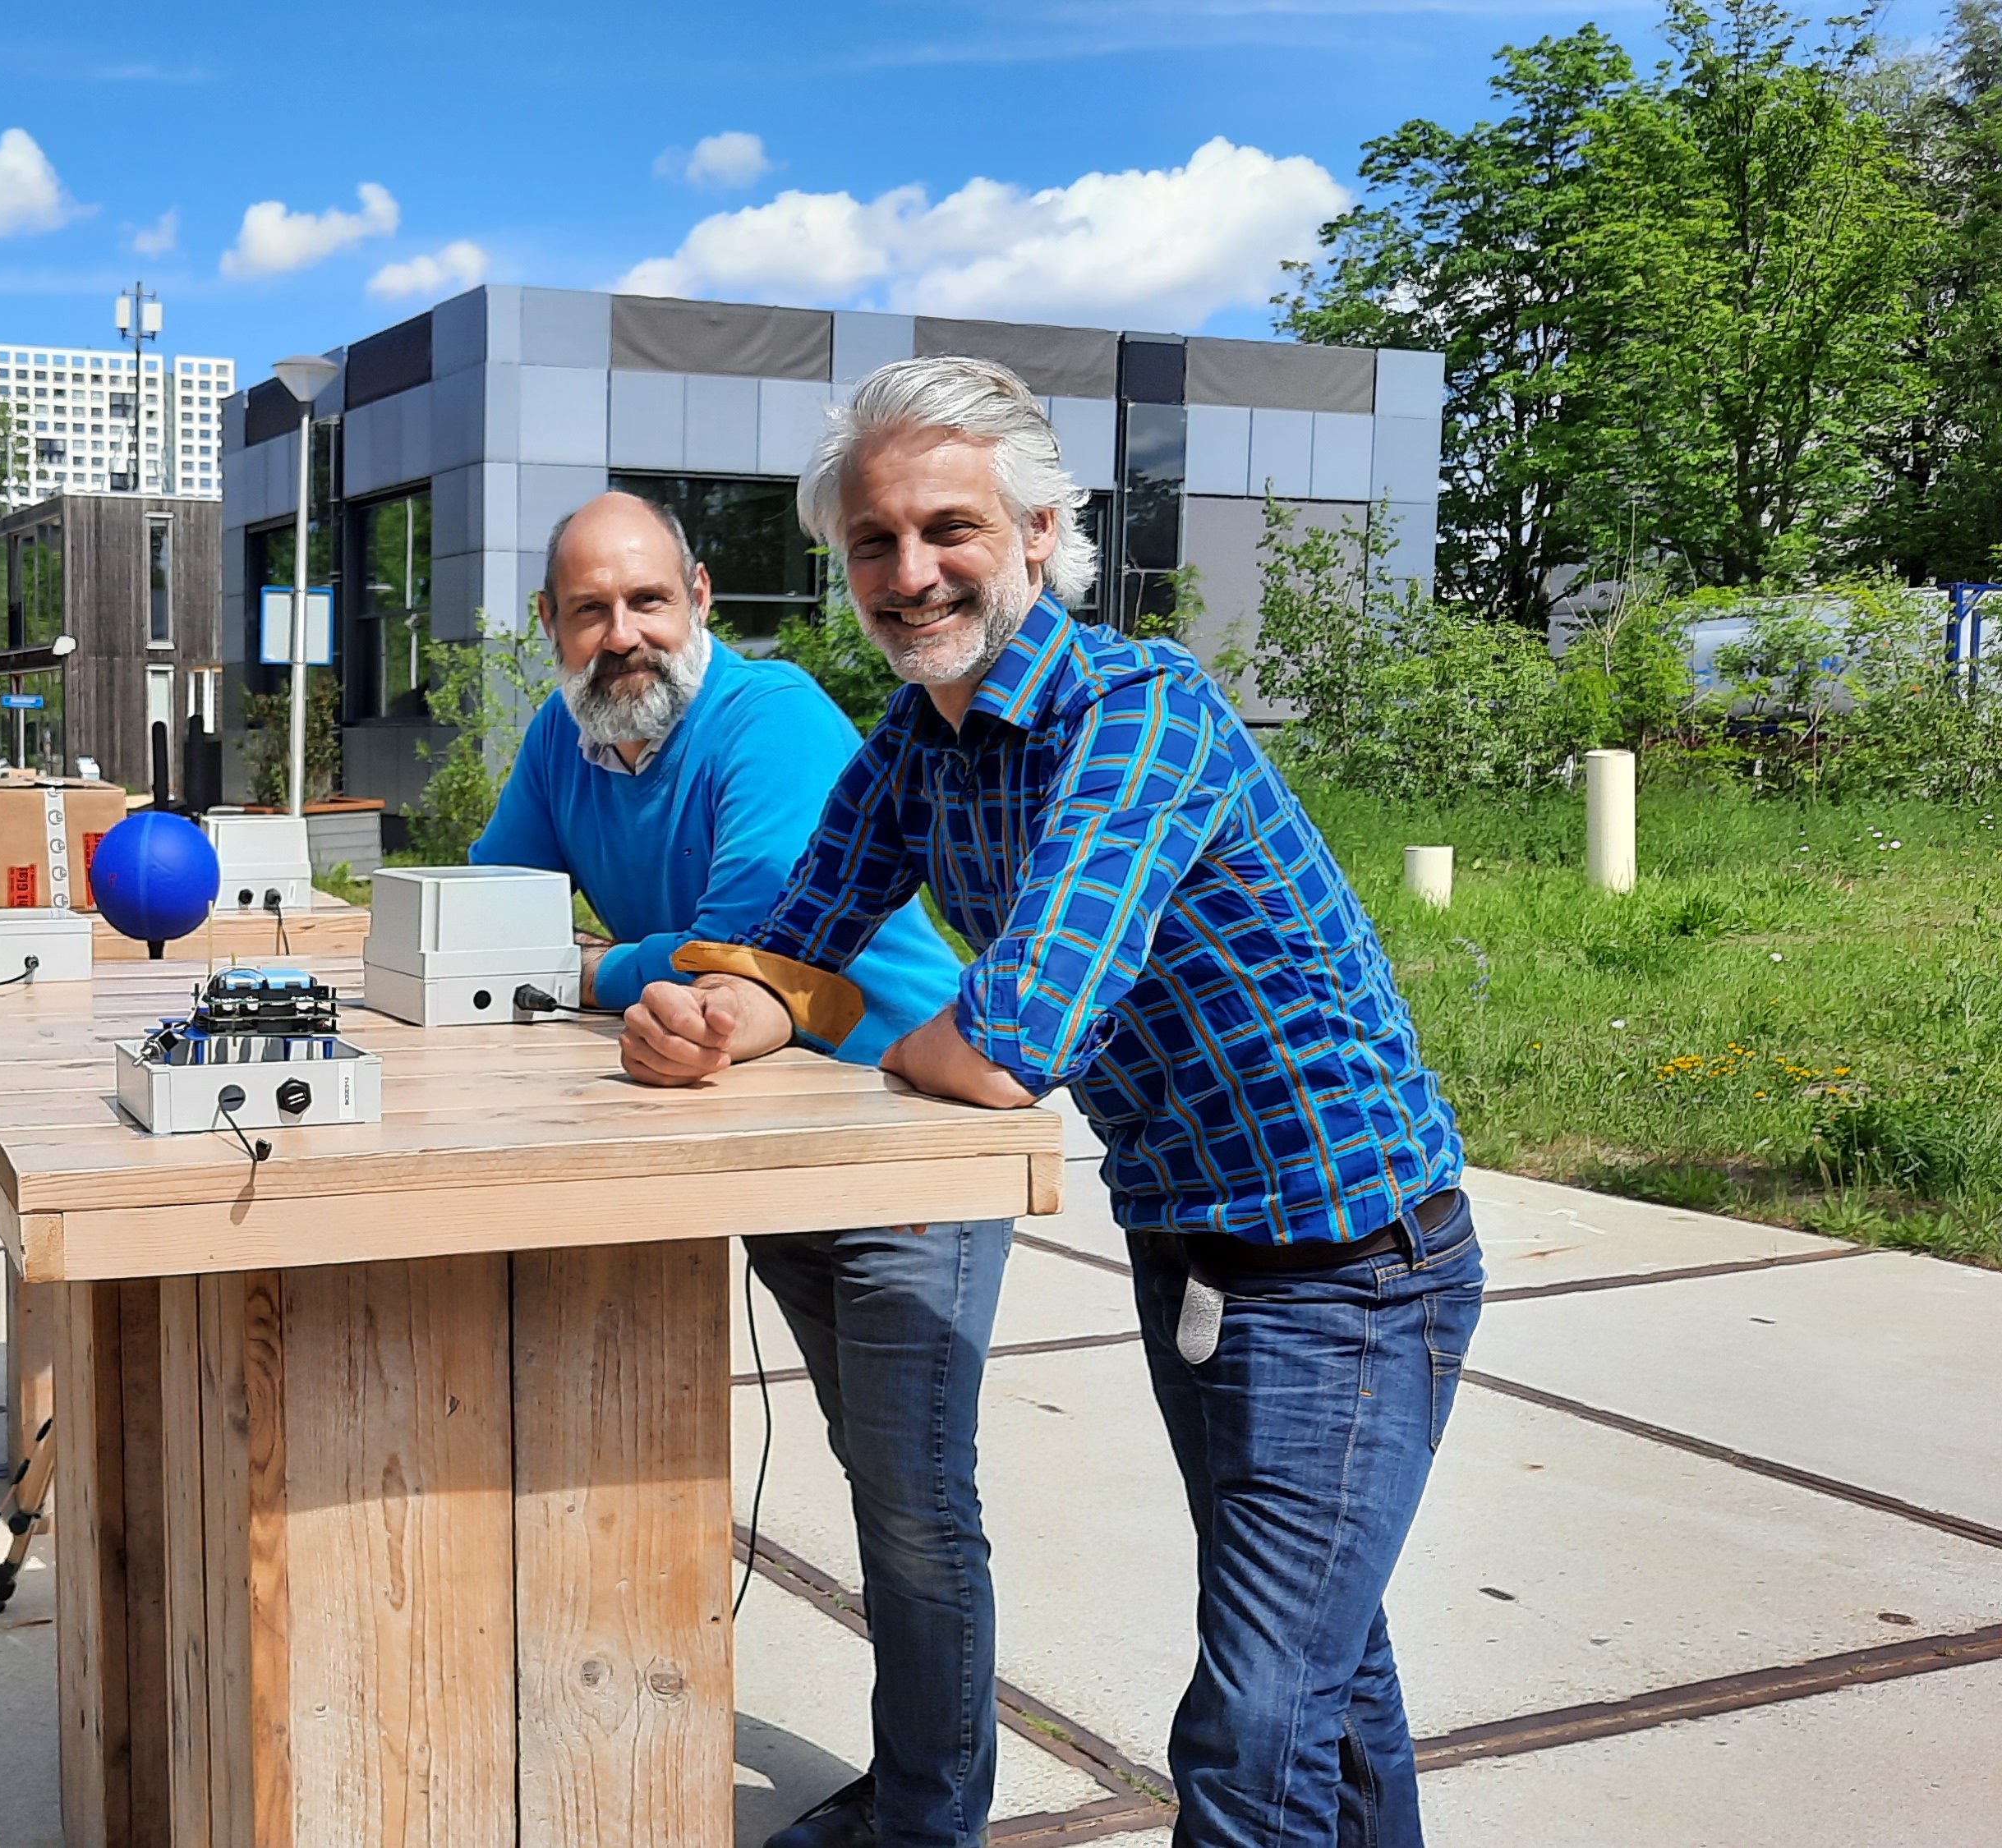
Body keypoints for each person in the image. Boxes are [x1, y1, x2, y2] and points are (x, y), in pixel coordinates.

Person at [619, 355, 1482, 1848]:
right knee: (1328, 1683)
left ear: (1039, 530)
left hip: (1351, 1260)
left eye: (948, 527)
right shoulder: (911, 745)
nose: (911, 572)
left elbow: (1015, 1037)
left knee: (1252, 1730)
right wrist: (712, 1019)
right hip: (1193, 1236)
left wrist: (869, 1033)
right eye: (874, 542)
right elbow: (802, 955)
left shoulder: (1140, 712)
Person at [467, 489, 1005, 1848]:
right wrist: (570, 967)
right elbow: (480, 922)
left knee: (912, 1504)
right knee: (867, 1470)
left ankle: (930, 1818)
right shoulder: (564, 737)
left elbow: (751, 944)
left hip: (900, 1142)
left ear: (701, 598)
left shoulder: (765, 720)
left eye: (649, 601)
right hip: (757, 1143)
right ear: (551, 626)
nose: (623, 634)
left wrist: (582, 969)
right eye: (590, 609)